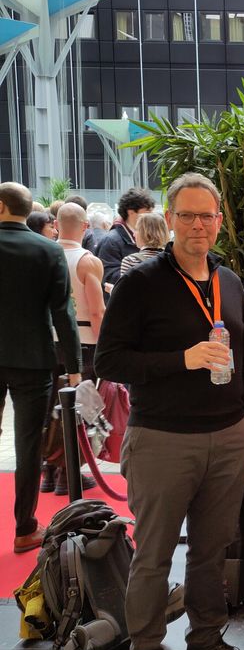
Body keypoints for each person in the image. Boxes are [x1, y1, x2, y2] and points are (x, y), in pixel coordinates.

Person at [95, 172, 244, 650]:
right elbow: (110, 359)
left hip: (229, 435)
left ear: (219, 221)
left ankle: (205, 644)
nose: (196, 225)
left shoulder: (229, 281)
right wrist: (182, 359)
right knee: (155, 553)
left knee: (212, 551)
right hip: (163, 439)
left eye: (206, 216)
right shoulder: (141, 282)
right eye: (185, 215)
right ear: (168, 220)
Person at [0, 182, 81, 553]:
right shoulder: (47, 250)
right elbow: (63, 314)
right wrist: (76, 367)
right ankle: (24, 527)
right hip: (32, 360)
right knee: (29, 445)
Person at [47, 202, 106, 494]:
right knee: (79, 408)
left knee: (51, 407)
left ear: (56, 224)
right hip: (85, 342)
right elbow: (97, 312)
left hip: (48, 340)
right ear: (85, 227)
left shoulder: (44, 255)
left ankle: (49, 470)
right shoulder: (87, 261)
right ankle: (68, 473)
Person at [96, 186, 155, 292]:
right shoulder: (110, 241)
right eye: (147, 212)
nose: (151, 216)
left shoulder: (145, 236)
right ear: (131, 212)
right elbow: (109, 277)